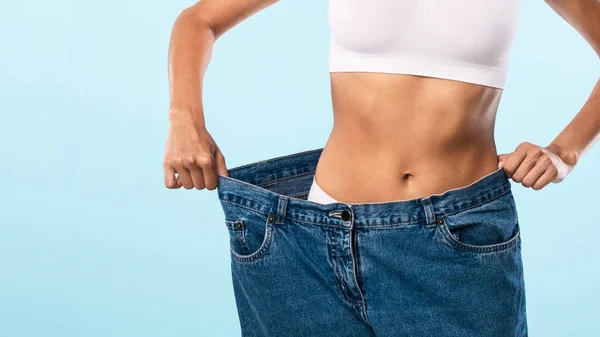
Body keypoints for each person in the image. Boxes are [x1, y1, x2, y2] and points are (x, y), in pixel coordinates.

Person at [163, 0, 599, 336]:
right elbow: (199, 20)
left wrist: (566, 151)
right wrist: (185, 121)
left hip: (454, 239)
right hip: (311, 239)